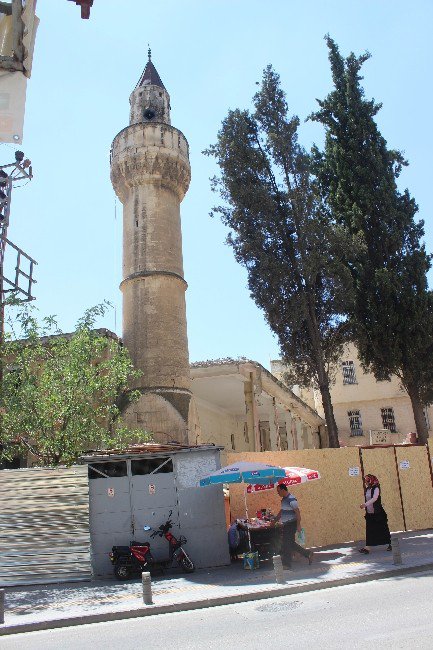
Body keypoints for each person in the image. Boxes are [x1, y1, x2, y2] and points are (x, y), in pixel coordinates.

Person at [274, 484, 313, 569]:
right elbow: (282, 510)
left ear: (283, 490)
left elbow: (298, 513)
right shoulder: (284, 500)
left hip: (291, 524)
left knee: (286, 544)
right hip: (286, 524)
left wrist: (298, 525)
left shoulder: (292, 499)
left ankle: (287, 564)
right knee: (290, 543)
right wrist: (275, 520)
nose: (278, 493)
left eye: (278, 491)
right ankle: (307, 553)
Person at [359, 474, 392, 554]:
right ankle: (367, 548)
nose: (365, 482)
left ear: (371, 480)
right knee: (370, 530)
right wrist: (366, 507)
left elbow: (375, 498)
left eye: (367, 481)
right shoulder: (367, 489)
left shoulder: (376, 488)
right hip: (370, 513)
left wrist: (365, 504)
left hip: (378, 513)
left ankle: (389, 544)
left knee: (383, 529)